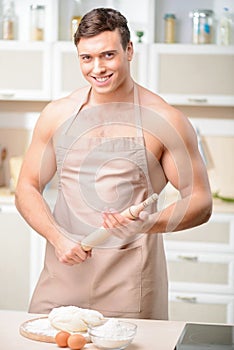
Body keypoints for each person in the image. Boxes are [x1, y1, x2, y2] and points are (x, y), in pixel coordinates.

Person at [15, 7, 212, 319]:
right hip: (64, 271)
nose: (97, 68)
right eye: (87, 58)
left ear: (129, 50)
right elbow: (26, 187)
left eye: (108, 55)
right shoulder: (58, 114)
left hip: (130, 280)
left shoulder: (165, 120)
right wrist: (57, 238)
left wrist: (147, 223)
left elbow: (200, 200)